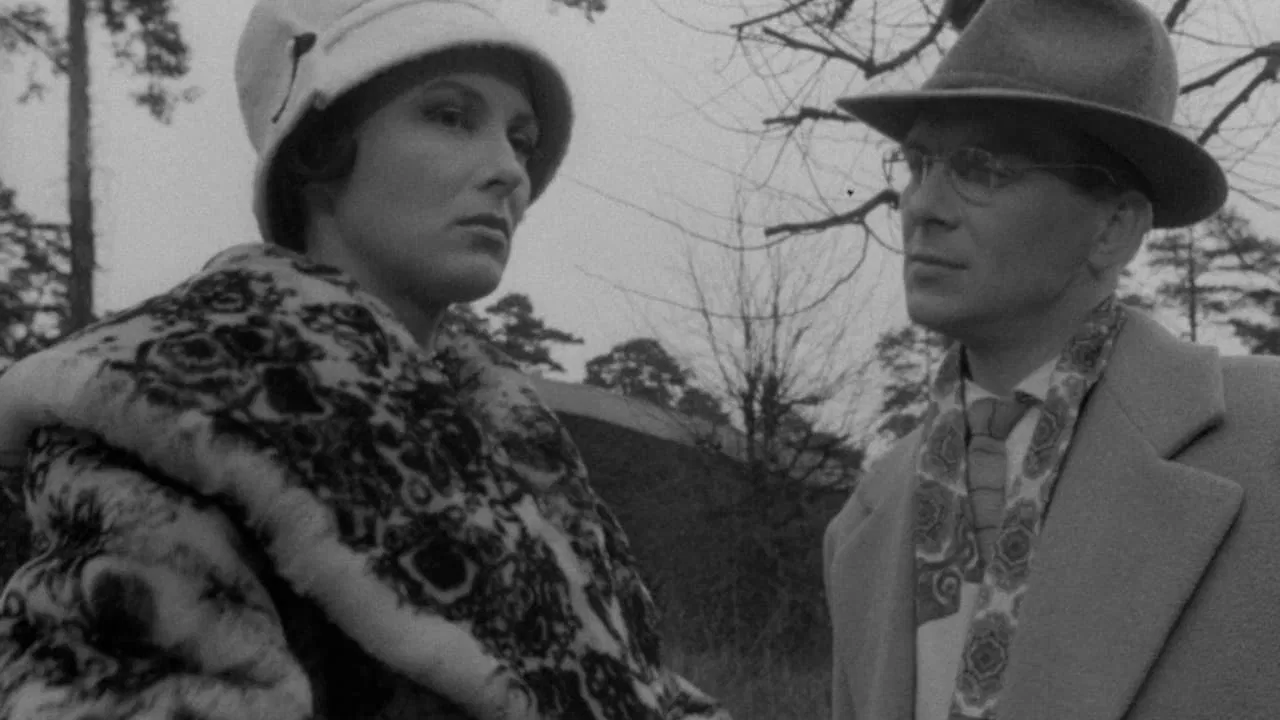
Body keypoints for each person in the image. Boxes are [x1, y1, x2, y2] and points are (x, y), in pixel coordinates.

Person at [0, 1, 729, 718]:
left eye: (521, 139)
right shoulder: (168, 418)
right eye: (450, 116)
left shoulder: (527, 457)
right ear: (318, 151)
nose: (511, 171)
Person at [824, 0, 1280, 718]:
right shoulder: (862, 522)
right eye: (918, 163)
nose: (921, 206)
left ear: (1114, 228)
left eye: (980, 169)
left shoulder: (1267, 446)